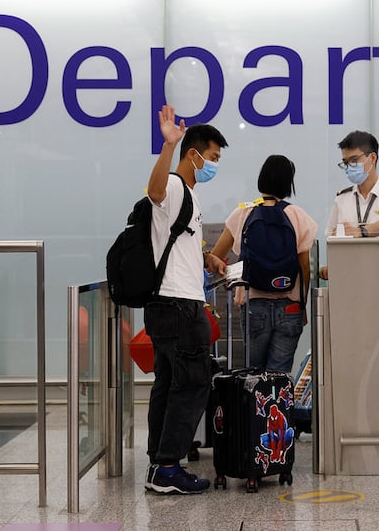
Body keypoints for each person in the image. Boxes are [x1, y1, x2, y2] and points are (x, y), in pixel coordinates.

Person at [143, 104, 228, 495]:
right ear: (193, 154)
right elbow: (155, 191)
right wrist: (167, 146)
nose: (214, 165)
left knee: (168, 382)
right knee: (192, 383)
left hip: (167, 303)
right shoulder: (177, 186)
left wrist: (207, 257)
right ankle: (168, 466)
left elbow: (175, 245)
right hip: (179, 305)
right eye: (211, 157)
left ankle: (158, 461)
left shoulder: (189, 197)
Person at [211, 155, 318, 372]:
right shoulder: (298, 216)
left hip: (253, 304)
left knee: (254, 375)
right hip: (289, 306)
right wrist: (302, 305)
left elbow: (215, 256)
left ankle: (254, 406)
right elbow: (305, 268)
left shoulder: (242, 213)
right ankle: (276, 405)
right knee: (279, 374)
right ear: (288, 183)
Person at [318, 130, 379, 280]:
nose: (349, 166)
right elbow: (331, 238)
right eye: (345, 162)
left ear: (372, 158)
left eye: (354, 160)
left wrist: (360, 232)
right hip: (348, 277)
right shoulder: (342, 198)